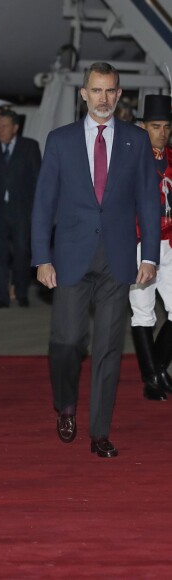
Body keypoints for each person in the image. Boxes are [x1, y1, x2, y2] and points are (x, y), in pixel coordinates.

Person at [31, 62, 160, 458]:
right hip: (70, 256)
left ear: (119, 95)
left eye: (111, 91)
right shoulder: (60, 140)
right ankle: (66, 403)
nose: (103, 99)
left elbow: (148, 203)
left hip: (119, 259)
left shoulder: (136, 142)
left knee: (107, 347)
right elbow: (43, 204)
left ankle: (99, 431)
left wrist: (150, 256)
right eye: (96, 91)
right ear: (83, 94)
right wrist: (42, 258)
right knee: (67, 341)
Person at [129, 94, 172, 401]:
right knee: (143, 310)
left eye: (167, 126)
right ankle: (152, 378)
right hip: (140, 242)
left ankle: (155, 368)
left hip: (170, 240)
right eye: (155, 126)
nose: (162, 132)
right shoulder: (130, 159)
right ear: (142, 127)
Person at [0, 109, 41, 307]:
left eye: (5, 126)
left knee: (22, 252)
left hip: (22, 210)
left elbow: (37, 179)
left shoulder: (30, 147)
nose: (0, 129)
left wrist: (36, 210)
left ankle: (21, 291)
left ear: (15, 128)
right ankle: (0, 296)